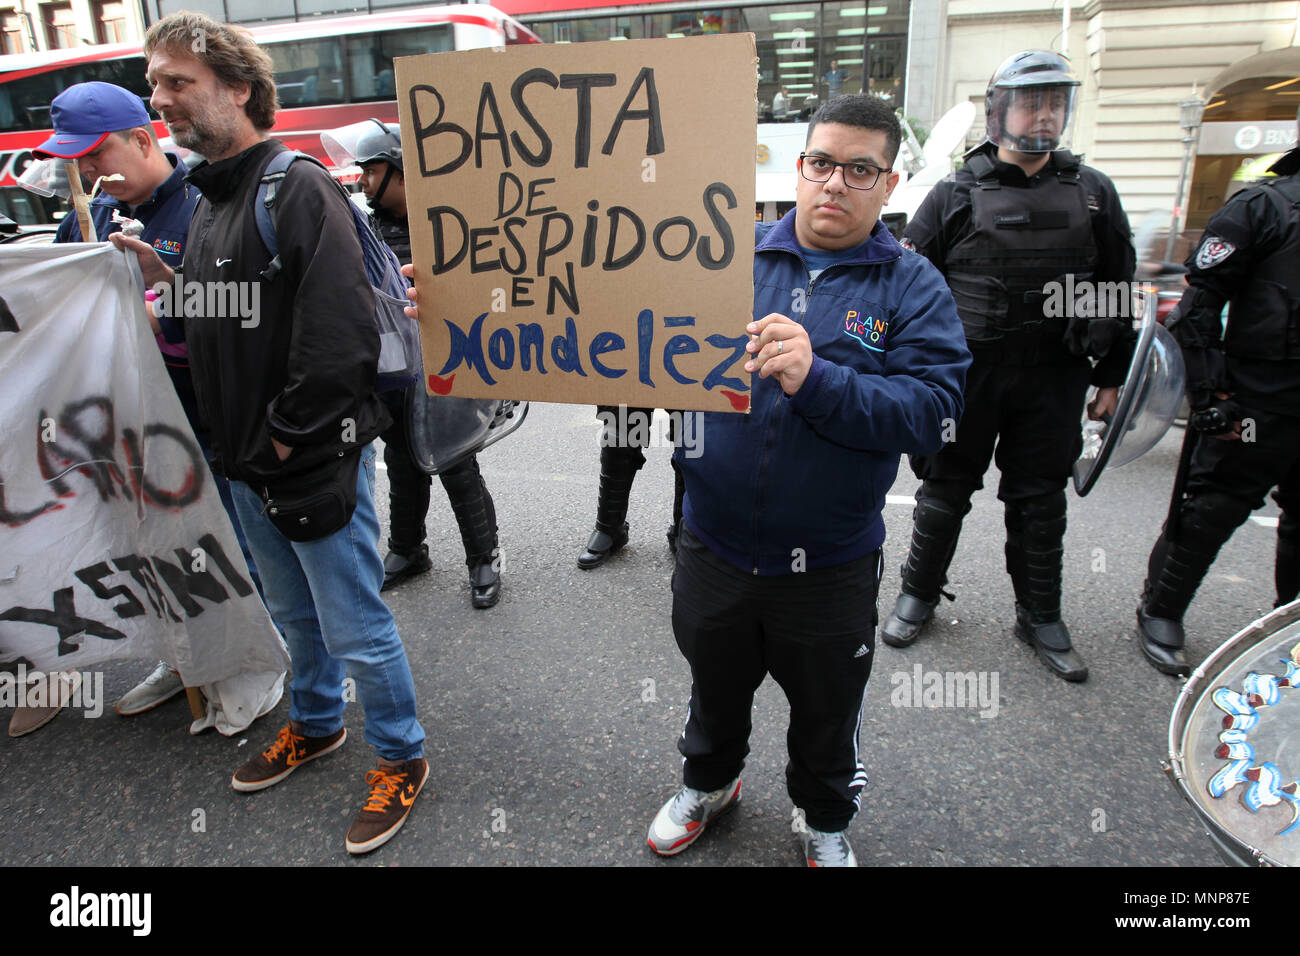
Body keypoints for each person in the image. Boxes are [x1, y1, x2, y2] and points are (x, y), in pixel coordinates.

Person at [113, 12, 427, 854]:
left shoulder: (297, 186)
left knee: (354, 620)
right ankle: (318, 724)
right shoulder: (217, 194)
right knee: (293, 615)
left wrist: (286, 437)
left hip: (307, 456)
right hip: (244, 461)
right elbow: (246, 313)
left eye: (178, 82)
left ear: (239, 89)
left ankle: (401, 754)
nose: (161, 99)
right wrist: (171, 283)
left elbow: (338, 337)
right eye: (156, 85)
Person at [648, 95, 969, 865]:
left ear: (889, 184)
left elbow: (933, 414)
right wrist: (476, 303)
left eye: (860, 169)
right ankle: (709, 783)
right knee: (713, 691)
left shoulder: (912, 285)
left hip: (828, 565)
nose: (836, 183)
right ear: (800, 167)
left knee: (828, 711)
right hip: (714, 546)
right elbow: (612, 322)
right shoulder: (725, 255)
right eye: (822, 163)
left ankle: (823, 818)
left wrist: (818, 378)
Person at [880, 50, 1135, 684]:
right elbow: (906, 285)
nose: (1043, 113)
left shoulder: (1094, 193)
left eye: (1054, 101)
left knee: (1041, 498)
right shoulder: (955, 192)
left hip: (1055, 375)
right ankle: (918, 595)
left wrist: (1112, 376)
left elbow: (1117, 285)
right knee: (945, 489)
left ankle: (1040, 614)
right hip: (967, 376)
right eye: (1030, 100)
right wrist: (905, 373)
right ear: (1000, 110)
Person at [12, 82, 245, 735]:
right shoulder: (81, 219)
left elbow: (239, 317)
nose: (85, 171)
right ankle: (183, 660)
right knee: (149, 555)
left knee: (220, 553)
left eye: (96, 153)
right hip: (116, 434)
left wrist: (160, 303)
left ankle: (248, 664)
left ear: (143, 139)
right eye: (73, 160)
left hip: (201, 429)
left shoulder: (205, 207)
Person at [1135, 130, 1300, 675]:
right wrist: (1212, 397)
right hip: (1259, 402)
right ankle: (1161, 609)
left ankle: (1289, 626)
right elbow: (1197, 311)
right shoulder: (1265, 206)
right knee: (1210, 510)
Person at [347, 120, 502, 607]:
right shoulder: (366, 227)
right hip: (393, 369)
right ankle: (408, 550)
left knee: (455, 459)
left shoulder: (450, 221)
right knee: (401, 462)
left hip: (447, 363)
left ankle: (484, 558)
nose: (363, 182)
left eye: (371, 171)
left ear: (401, 172)